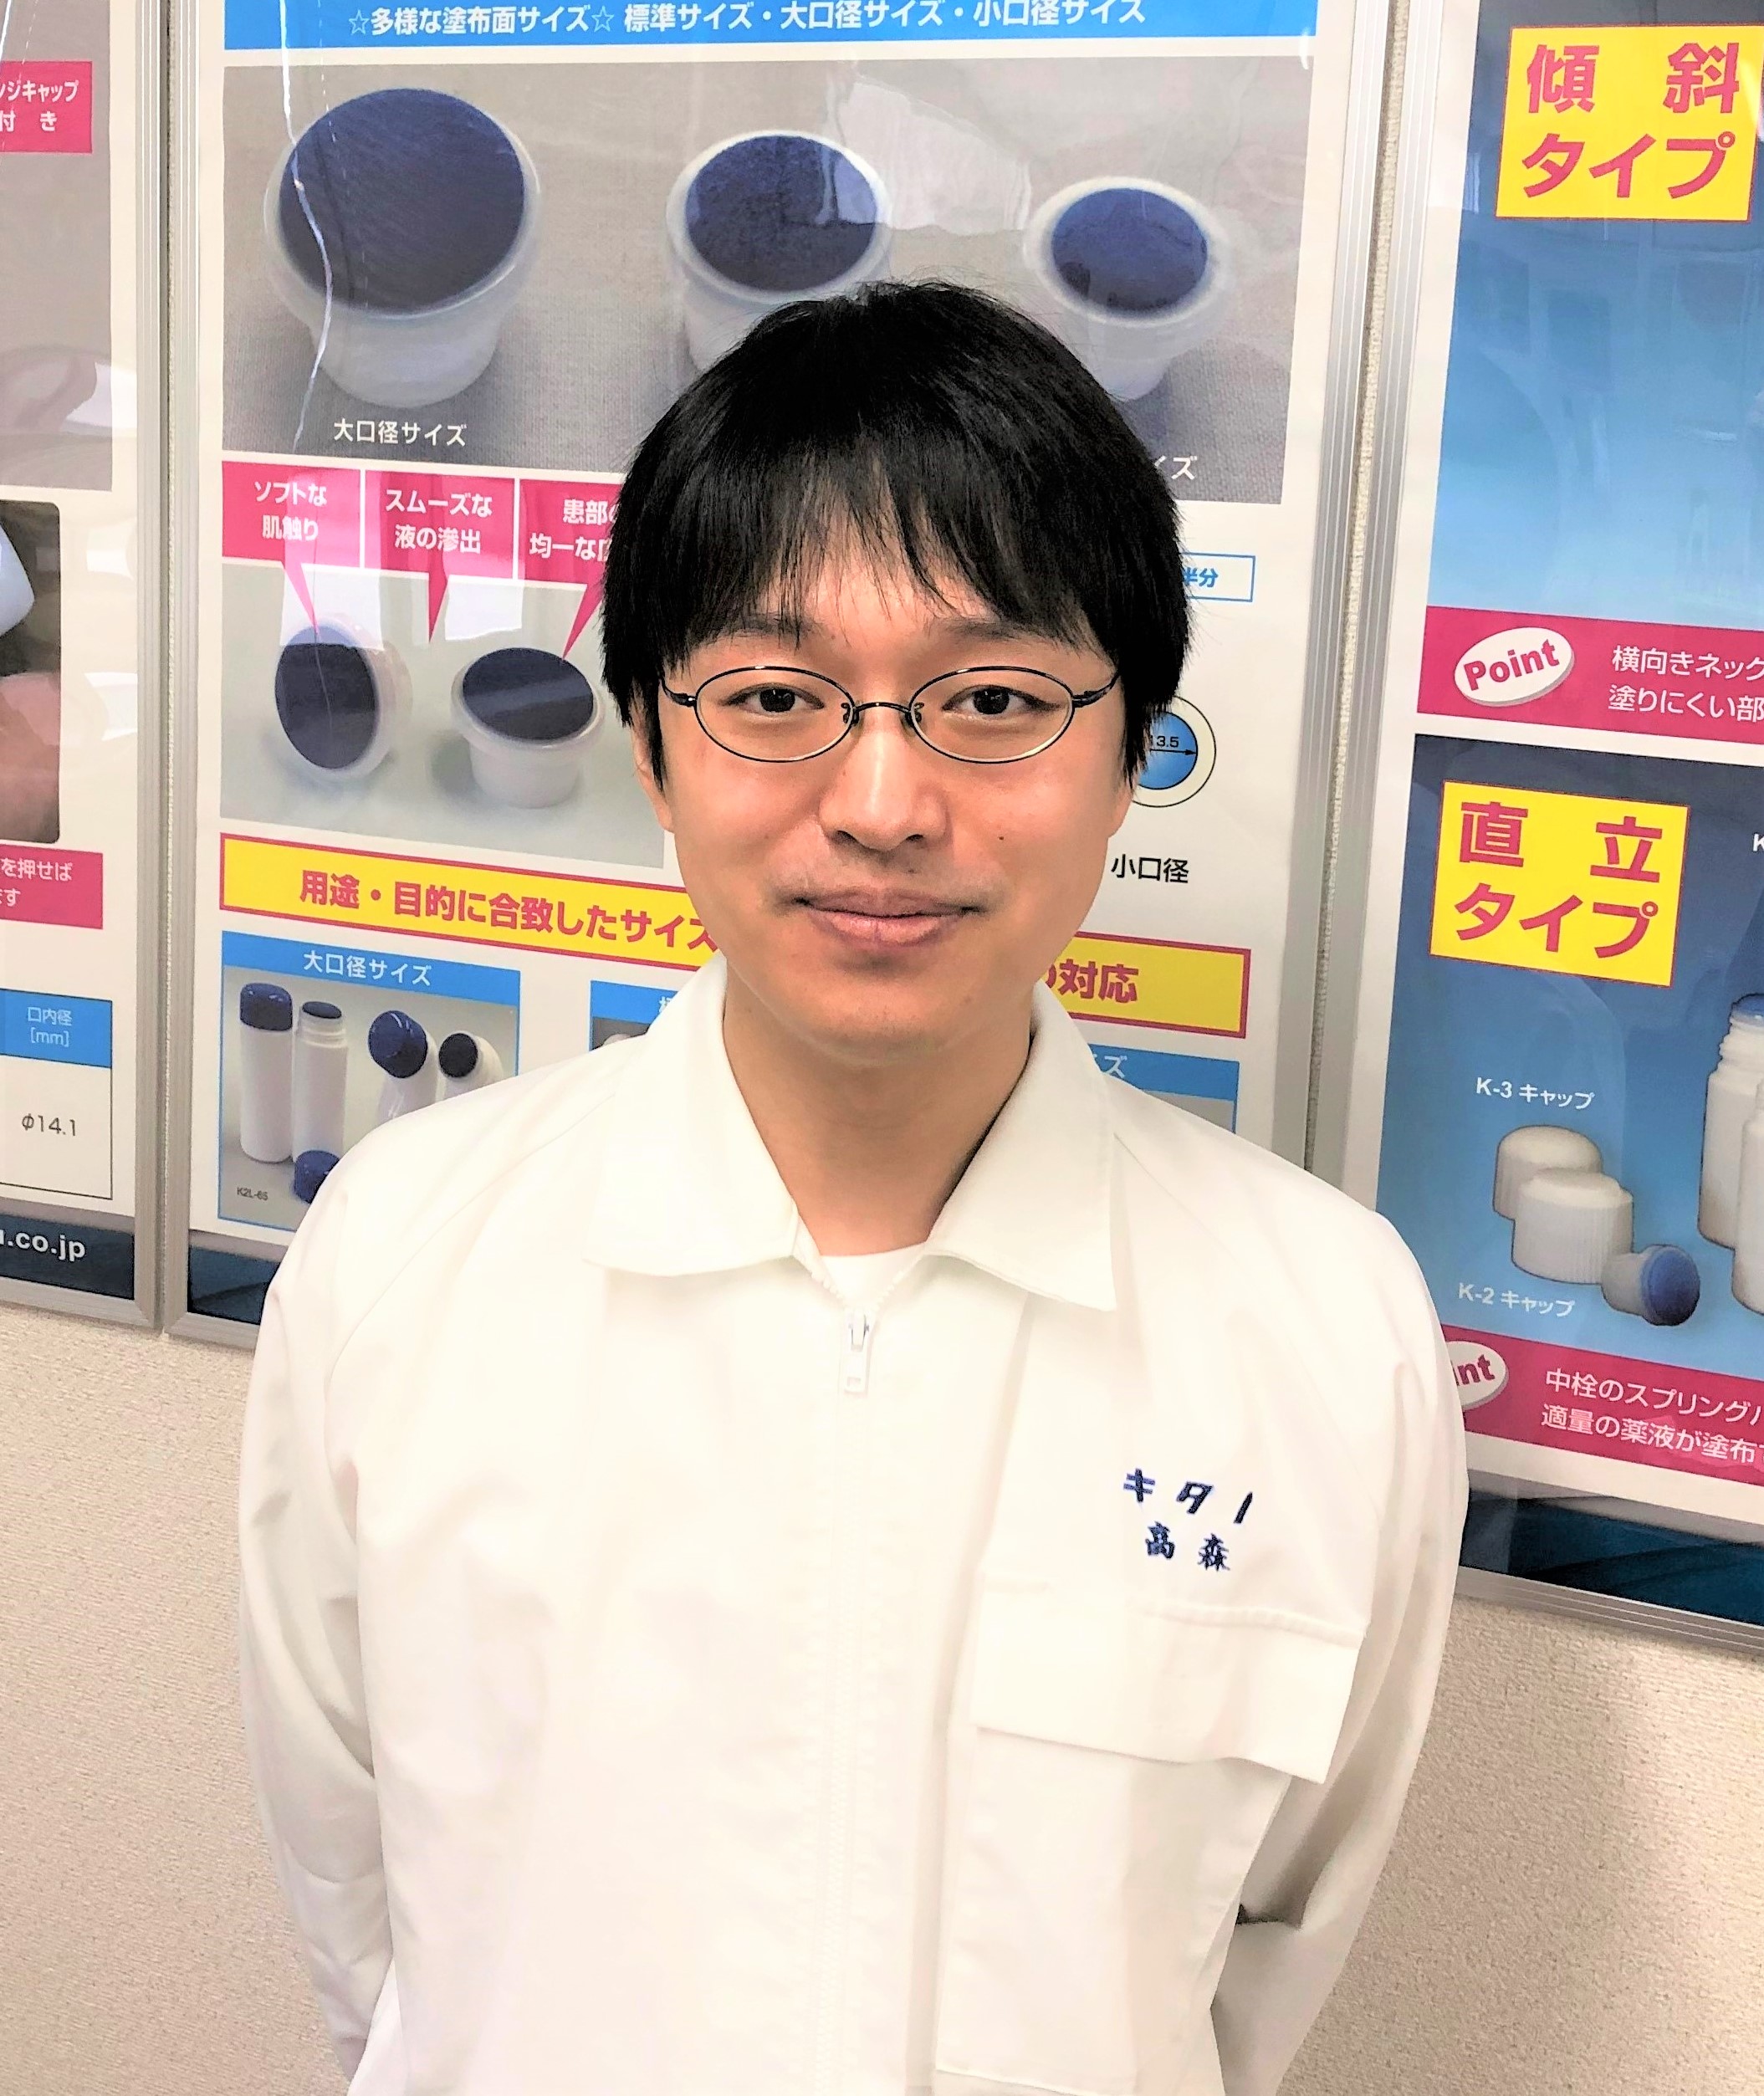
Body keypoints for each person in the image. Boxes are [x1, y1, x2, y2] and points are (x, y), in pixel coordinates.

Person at [239, 281, 1466, 2096]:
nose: (882, 801)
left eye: (992, 698)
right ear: (650, 746)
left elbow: (1261, 1952)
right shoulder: (402, 1255)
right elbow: (371, 1920)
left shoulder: (1324, 1327)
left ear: (1129, 749)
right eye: (772, 696)